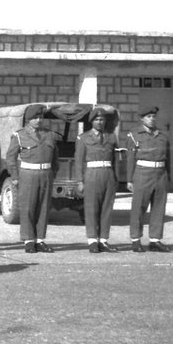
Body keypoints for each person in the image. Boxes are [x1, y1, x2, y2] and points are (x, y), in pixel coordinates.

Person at [6, 104, 60, 254]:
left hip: (46, 174)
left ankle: (40, 240)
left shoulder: (50, 135)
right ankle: (29, 240)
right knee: (28, 207)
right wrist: (15, 176)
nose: (38, 120)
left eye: (41, 117)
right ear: (28, 120)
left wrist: (52, 173)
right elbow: (10, 157)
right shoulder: (20, 135)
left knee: (43, 207)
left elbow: (55, 158)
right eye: (35, 118)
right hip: (28, 174)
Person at [74, 107, 120, 253]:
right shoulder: (83, 138)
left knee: (107, 208)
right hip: (92, 174)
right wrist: (80, 181)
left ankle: (104, 240)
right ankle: (92, 240)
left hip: (108, 174)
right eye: (97, 120)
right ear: (92, 121)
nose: (100, 122)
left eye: (102, 120)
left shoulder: (112, 137)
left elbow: (116, 161)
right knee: (91, 208)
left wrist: (116, 178)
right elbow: (79, 161)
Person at [127, 106, 171, 253]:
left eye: (153, 116)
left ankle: (155, 240)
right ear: (142, 118)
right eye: (148, 116)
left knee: (159, 207)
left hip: (160, 173)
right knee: (138, 208)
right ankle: (135, 239)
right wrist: (129, 180)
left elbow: (168, 158)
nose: (152, 119)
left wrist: (168, 177)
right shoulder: (134, 135)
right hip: (142, 173)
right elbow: (130, 159)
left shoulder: (163, 136)